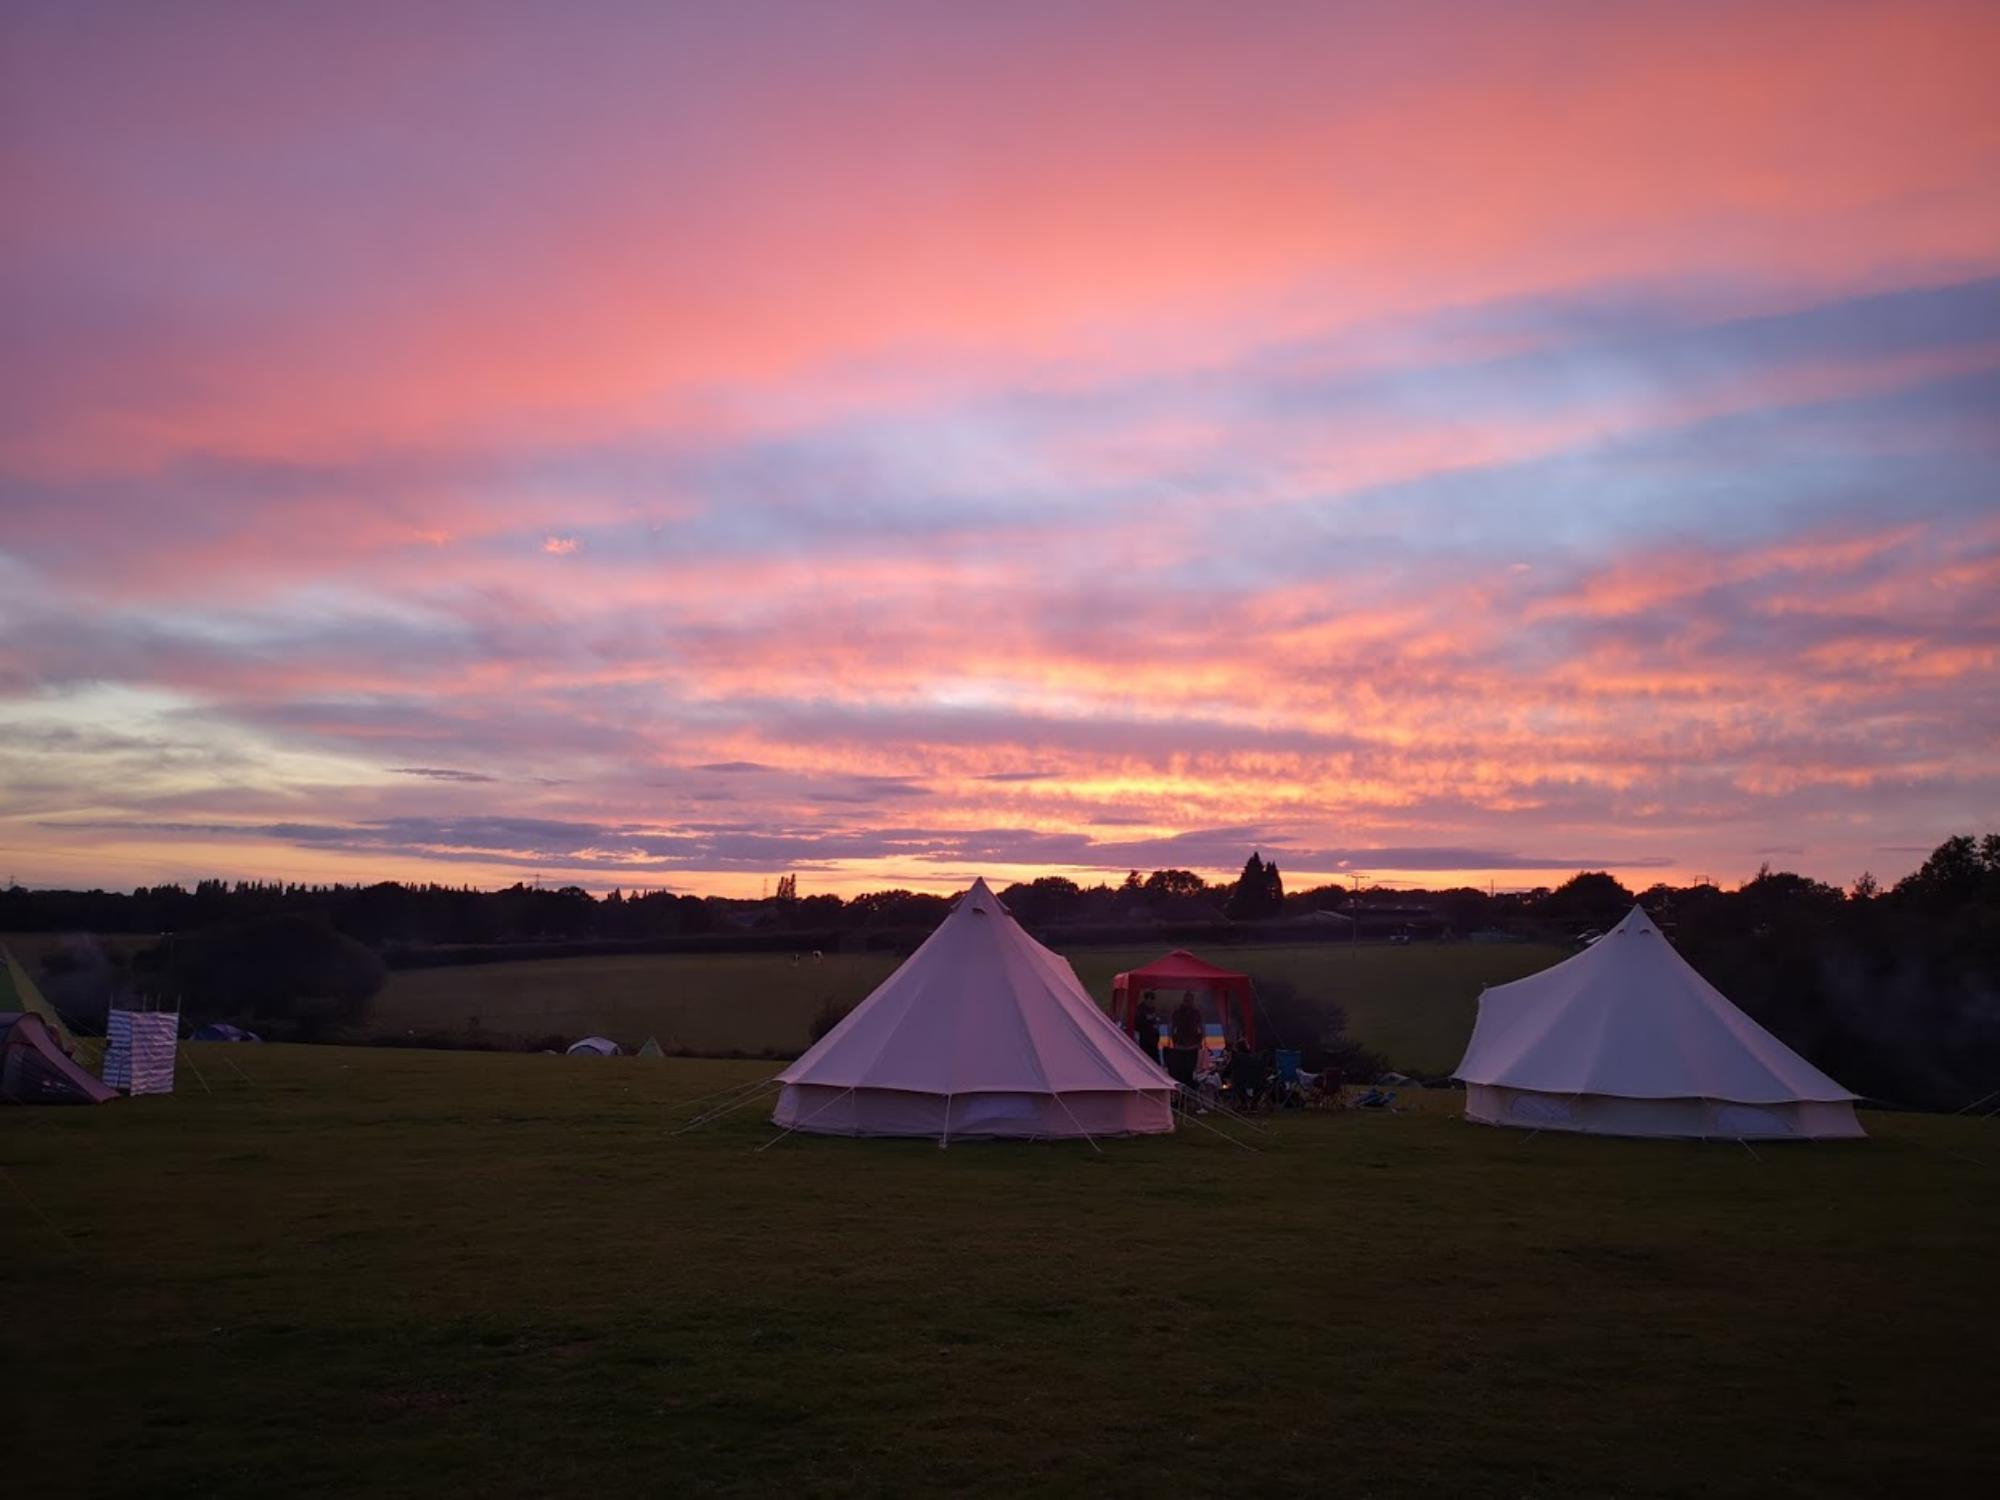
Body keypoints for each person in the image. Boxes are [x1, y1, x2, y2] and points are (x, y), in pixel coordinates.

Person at [1166, 992, 1204, 1089]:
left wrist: (1200, 1041)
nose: (1189, 1002)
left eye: (1190, 1000)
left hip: (1191, 1045)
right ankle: (1184, 1088)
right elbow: (1172, 1026)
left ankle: (1188, 1088)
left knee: (1189, 1070)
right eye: (1187, 1000)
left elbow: (1201, 1026)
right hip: (1181, 1045)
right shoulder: (1178, 1012)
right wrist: (1171, 1040)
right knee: (1182, 1070)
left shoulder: (1195, 1012)